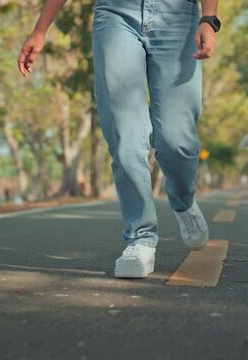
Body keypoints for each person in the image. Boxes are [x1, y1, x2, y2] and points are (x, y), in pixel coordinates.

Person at [18, 0, 220, 279]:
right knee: (125, 135)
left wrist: (209, 19)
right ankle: (141, 238)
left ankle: (183, 199)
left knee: (177, 140)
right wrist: (41, 29)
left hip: (178, 16)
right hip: (115, 14)